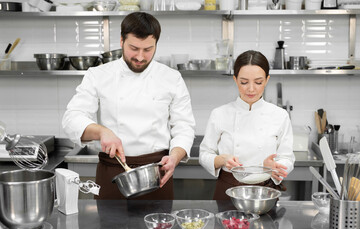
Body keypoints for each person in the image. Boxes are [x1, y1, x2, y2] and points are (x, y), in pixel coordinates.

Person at [62, 12, 195, 200]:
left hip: (156, 173)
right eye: (134, 48)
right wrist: (101, 132)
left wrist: (175, 157)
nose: (140, 57)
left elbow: (184, 127)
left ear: (156, 44)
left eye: (148, 49)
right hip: (113, 172)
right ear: (121, 41)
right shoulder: (99, 75)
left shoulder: (171, 78)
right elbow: (71, 118)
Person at [199, 50, 295, 200]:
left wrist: (275, 166)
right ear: (235, 79)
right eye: (244, 82)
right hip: (228, 189)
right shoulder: (219, 114)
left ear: (267, 80)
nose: (251, 89)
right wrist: (223, 160)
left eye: (258, 82)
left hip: (264, 192)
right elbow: (204, 154)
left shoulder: (280, 116)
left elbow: (287, 158)